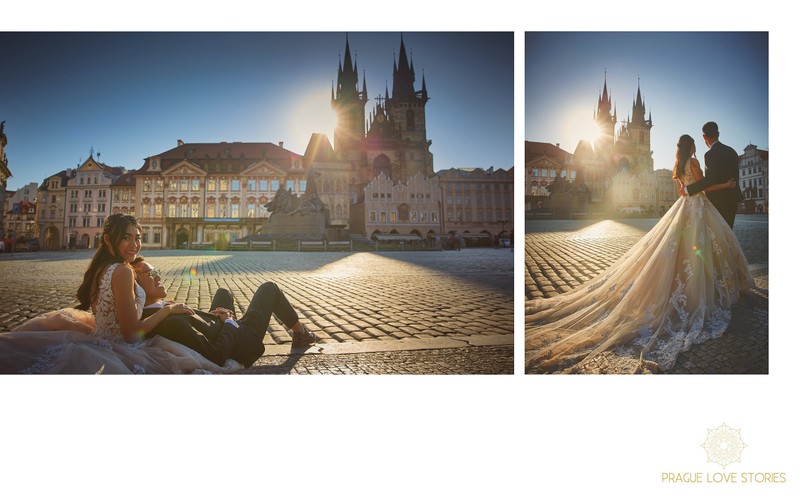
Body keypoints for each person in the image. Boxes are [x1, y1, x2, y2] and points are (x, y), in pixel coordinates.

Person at [525, 134, 755, 374]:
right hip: (697, 207)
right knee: (704, 247)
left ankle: (682, 285)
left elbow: (682, 192)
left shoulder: (677, 165)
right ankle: (700, 288)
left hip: (684, 207)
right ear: (693, 146)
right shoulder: (694, 162)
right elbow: (703, 186)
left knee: (675, 251)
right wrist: (726, 186)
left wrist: (692, 189)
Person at [0, 214, 238, 373]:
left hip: (100, 339)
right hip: (120, 350)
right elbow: (130, 334)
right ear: (108, 239)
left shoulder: (101, 268)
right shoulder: (123, 271)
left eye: (137, 238)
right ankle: (230, 329)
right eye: (126, 238)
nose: (134, 244)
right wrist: (167, 310)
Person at [130, 256, 317, 367]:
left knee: (223, 292)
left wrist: (213, 317)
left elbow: (196, 329)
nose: (159, 277)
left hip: (215, 327)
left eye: (156, 271)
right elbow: (217, 354)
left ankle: (221, 316)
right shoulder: (170, 321)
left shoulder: (155, 312)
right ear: (137, 288)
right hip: (240, 340)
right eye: (151, 274)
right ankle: (300, 333)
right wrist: (228, 321)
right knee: (269, 288)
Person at [680, 121, 741, 228]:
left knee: (719, 235)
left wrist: (687, 190)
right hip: (733, 199)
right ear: (718, 134)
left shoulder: (710, 154)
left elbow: (709, 180)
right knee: (728, 232)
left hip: (717, 201)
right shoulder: (732, 151)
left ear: (704, 136)